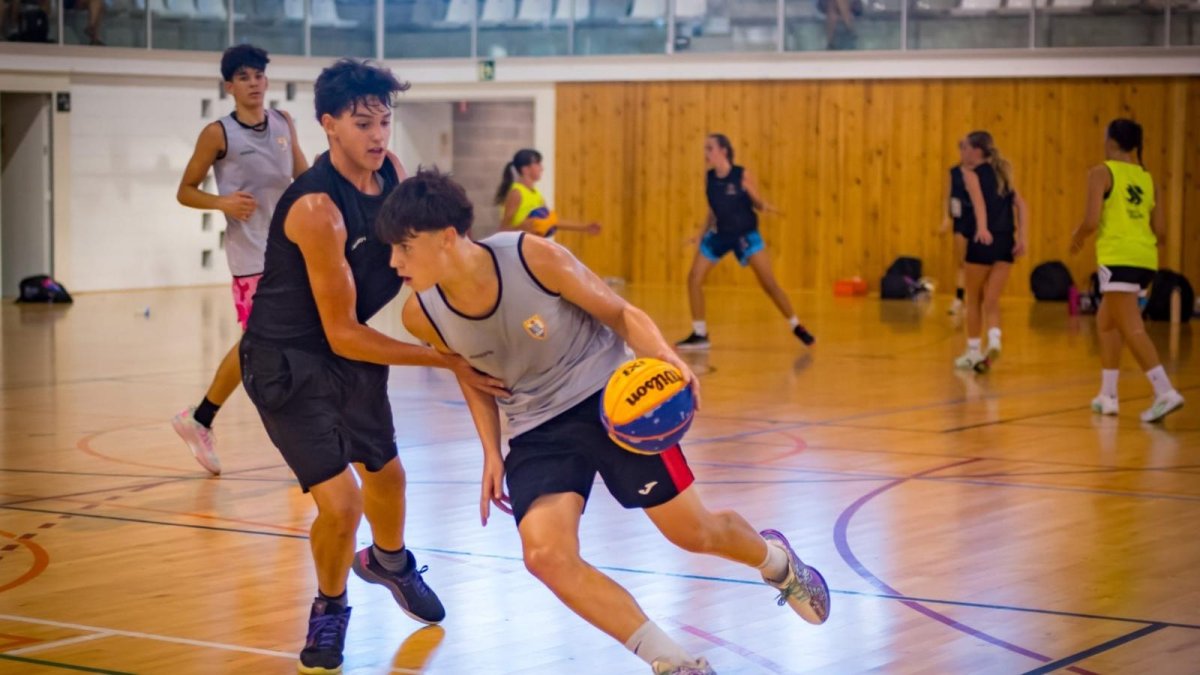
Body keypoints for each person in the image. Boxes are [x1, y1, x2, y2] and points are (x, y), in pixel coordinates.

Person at [381, 168, 830, 675]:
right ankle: (675, 663)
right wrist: (490, 450)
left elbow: (620, 314)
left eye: (404, 247)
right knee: (545, 555)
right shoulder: (422, 314)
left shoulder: (531, 257)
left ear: (446, 238)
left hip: (610, 401)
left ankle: (778, 564)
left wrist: (667, 358)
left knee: (694, 533)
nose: (395, 262)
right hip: (536, 428)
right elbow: (472, 376)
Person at [238, 59, 507, 674]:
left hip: (350, 358)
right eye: (363, 123)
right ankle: (331, 606)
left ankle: (390, 563)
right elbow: (342, 330)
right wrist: (444, 359)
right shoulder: (316, 210)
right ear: (328, 124)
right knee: (341, 504)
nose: (378, 135)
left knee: (388, 476)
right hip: (288, 362)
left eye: (385, 120)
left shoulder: (391, 175)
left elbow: (425, 264)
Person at [171, 44, 309, 476]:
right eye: (244, 77)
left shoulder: (285, 123)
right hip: (251, 256)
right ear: (229, 86)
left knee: (282, 344)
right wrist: (222, 202)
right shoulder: (219, 133)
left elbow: (304, 181)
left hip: (291, 250)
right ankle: (204, 417)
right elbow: (185, 190)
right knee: (261, 345)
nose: (254, 83)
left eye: (259, 76)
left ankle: (203, 418)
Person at [1070, 118, 1185, 422]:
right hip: (1145, 259)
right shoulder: (1148, 180)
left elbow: (1092, 221)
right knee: (1106, 322)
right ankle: (1108, 396)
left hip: (1117, 258)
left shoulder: (1101, 172)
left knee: (1132, 326)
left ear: (1109, 141)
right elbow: (1159, 231)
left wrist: (1077, 235)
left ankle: (1164, 391)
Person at [676, 134, 814, 351]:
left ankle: (796, 325)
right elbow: (713, 209)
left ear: (723, 150)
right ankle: (700, 334)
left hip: (745, 235)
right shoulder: (709, 177)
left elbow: (758, 204)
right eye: (705, 148)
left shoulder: (742, 174)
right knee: (694, 278)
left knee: (768, 283)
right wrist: (701, 234)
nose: (706, 153)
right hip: (720, 234)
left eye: (710, 148)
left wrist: (754, 195)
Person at [952, 131, 1028, 371]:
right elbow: (1022, 206)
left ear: (977, 151)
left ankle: (973, 352)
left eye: (966, 148)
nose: (963, 152)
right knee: (992, 300)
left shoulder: (971, 175)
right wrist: (1023, 238)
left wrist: (983, 228)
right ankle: (994, 339)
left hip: (983, 242)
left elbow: (979, 203)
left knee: (973, 299)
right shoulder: (1003, 174)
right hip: (1006, 242)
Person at [495, 148, 601, 239]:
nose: (542, 168)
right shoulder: (516, 193)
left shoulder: (537, 195)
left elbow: (552, 221)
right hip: (518, 250)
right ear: (525, 169)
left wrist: (585, 227)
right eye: (537, 164)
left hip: (532, 246)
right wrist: (520, 228)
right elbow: (502, 230)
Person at [940, 138, 975, 315]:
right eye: (963, 150)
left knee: (975, 263)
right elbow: (947, 196)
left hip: (977, 220)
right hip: (961, 219)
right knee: (961, 261)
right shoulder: (953, 172)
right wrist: (946, 218)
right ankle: (958, 299)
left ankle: (975, 300)